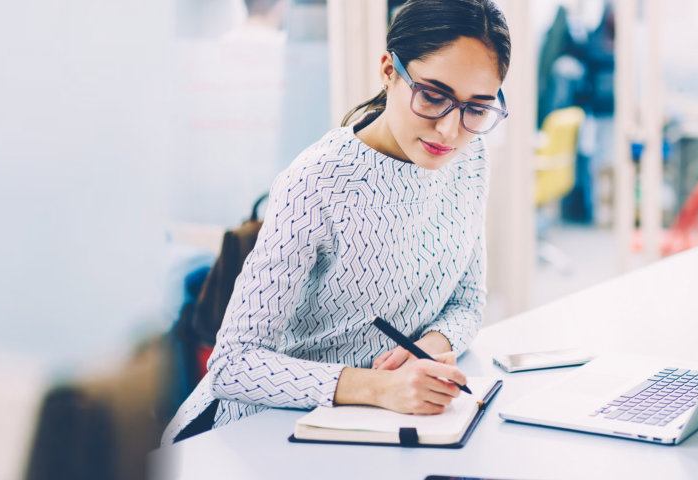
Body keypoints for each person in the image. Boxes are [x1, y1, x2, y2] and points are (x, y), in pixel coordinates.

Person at [164, 0, 511, 444]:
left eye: (477, 108)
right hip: (255, 433)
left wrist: (431, 347)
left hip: (376, 427)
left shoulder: (470, 158)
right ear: (389, 70)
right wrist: (376, 387)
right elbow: (233, 364)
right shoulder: (316, 183)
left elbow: (466, 302)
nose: (449, 130)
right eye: (432, 96)